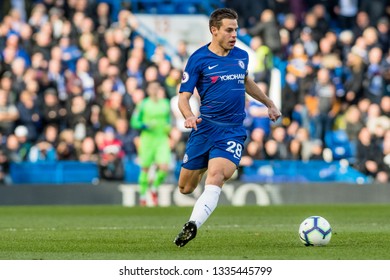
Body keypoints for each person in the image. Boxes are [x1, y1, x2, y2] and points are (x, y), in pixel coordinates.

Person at [173, 8, 281, 247]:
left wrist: (268, 103)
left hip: (232, 130)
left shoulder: (241, 56)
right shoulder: (198, 59)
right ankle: (204, 162)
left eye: (236, 30)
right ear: (214, 30)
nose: (234, 35)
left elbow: (245, 80)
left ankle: (192, 225)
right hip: (204, 128)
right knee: (185, 188)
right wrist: (189, 116)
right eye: (229, 30)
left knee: (217, 175)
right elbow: (183, 97)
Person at [131, 80, 171, 206]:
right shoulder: (143, 104)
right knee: (145, 168)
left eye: (156, 88)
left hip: (161, 139)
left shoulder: (165, 104)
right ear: (148, 90)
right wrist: (145, 125)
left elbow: (169, 120)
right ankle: (143, 196)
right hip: (147, 140)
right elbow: (134, 122)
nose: (154, 90)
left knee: (164, 167)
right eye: (152, 88)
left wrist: (168, 128)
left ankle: (154, 187)